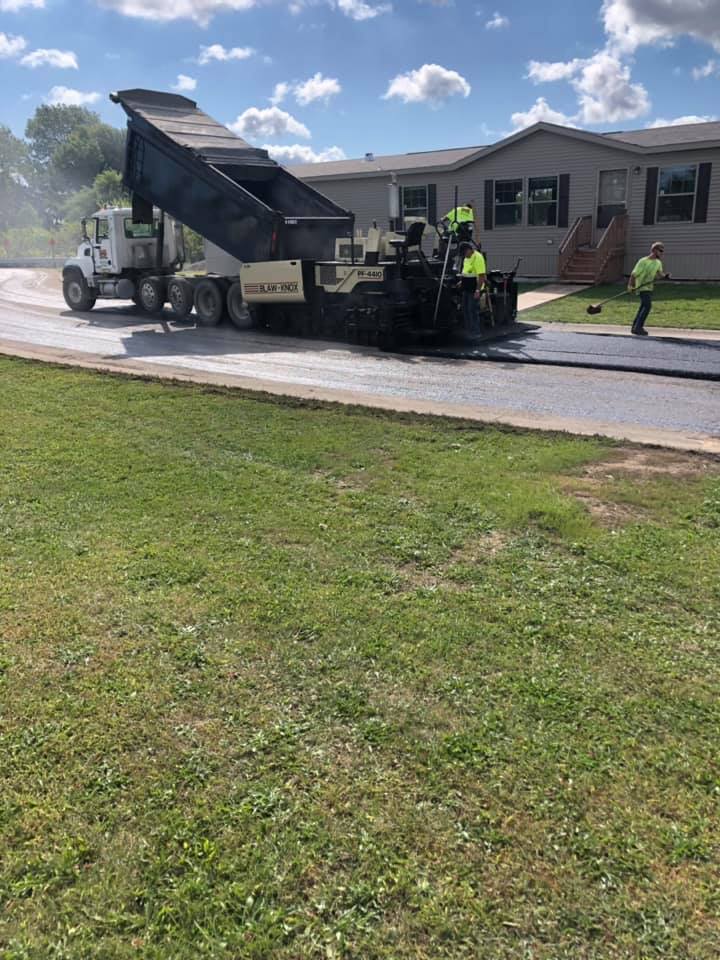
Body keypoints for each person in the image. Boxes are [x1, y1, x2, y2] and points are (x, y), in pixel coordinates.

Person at [628, 242, 669, 336]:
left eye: (662, 251)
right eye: (660, 251)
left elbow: (660, 274)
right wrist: (630, 286)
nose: (662, 253)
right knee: (647, 306)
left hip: (649, 287)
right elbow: (633, 274)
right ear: (654, 250)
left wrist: (665, 276)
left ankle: (635, 327)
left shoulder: (658, 263)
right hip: (641, 287)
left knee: (643, 306)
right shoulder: (643, 261)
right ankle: (638, 327)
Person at [458, 241, 487, 334]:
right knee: (465, 309)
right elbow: (466, 272)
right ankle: (469, 329)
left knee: (472, 310)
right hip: (466, 287)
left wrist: (478, 290)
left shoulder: (478, 258)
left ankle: (476, 331)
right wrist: (462, 282)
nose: (464, 256)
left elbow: (481, 275)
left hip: (474, 288)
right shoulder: (466, 258)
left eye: (464, 253)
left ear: (469, 250)